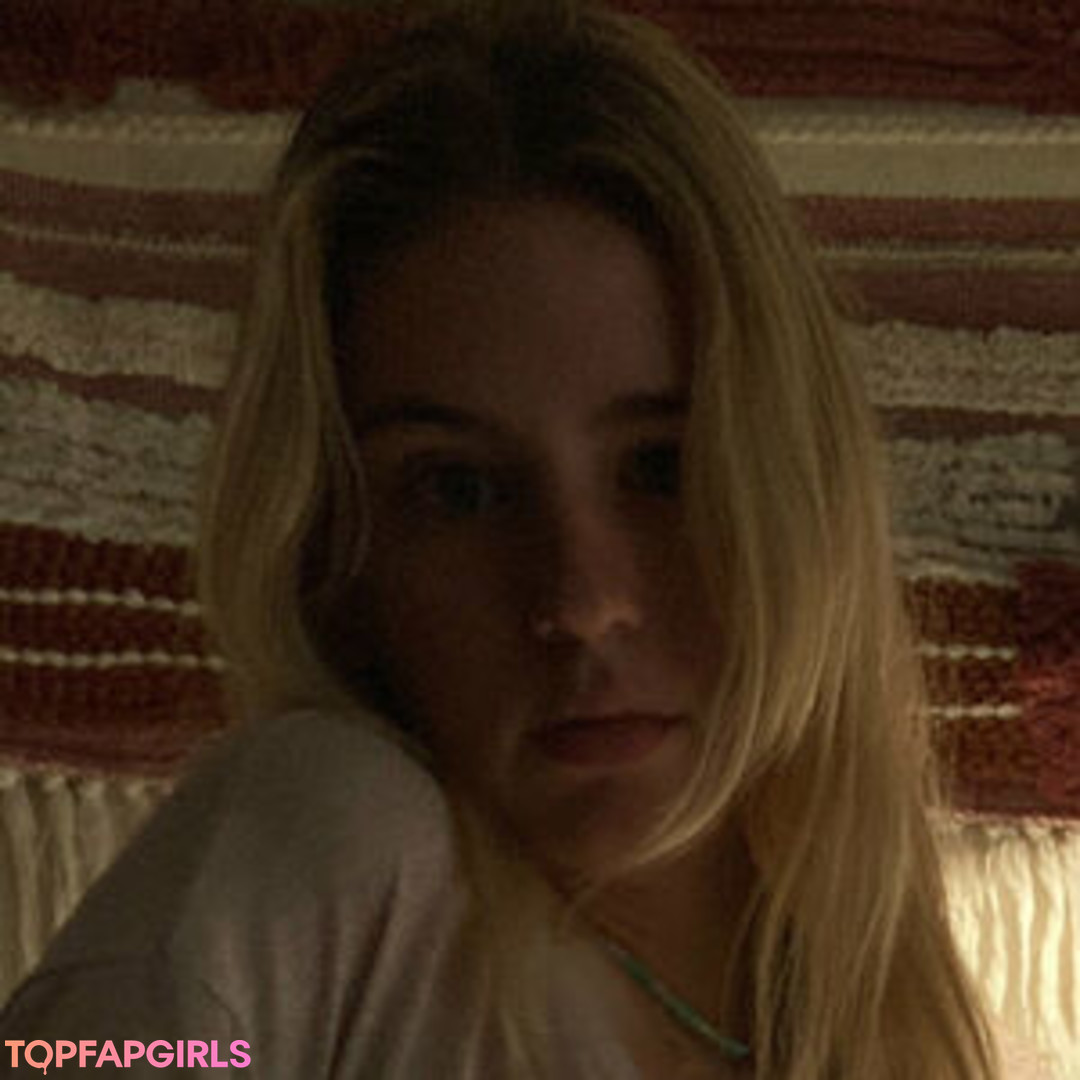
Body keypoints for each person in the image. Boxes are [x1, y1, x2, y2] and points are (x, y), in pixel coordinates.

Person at [0, 1, 1049, 1077]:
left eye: (660, 468)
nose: (582, 600)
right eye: (460, 491)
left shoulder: (895, 1027)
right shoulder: (333, 851)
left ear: (801, 479)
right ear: (338, 552)